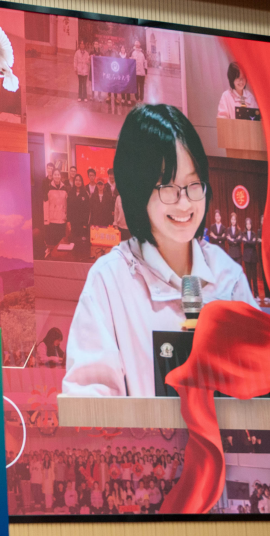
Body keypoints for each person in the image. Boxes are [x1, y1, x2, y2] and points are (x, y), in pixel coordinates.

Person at [63, 105, 257, 397]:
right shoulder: (110, 280)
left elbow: (259, 382)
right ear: (138, 190)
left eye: (193, 183)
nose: (184, 203)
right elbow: (90, 400)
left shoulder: (227, 276)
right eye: (168, 186)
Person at [68, 174, 91, 258]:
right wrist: (68, 221)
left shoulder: (85, 193)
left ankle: (82, 259)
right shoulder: (70, 193)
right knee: (74, 241)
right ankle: (74, 258)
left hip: (82, 223)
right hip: (73, 223)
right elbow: (68, 208)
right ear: (74, 181)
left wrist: (85, 223)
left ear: (82, 182)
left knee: (82, 242)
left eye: (80, 180)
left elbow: (87, 210)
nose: (78, 182)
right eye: (76, 180)